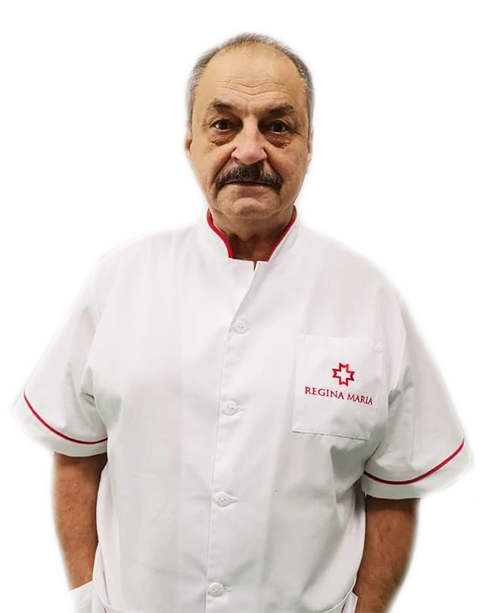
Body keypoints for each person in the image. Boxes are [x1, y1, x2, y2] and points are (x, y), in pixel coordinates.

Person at [10, 29, 474, 613]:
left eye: (277, 126)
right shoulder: (119, 280)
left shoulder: (373, 299)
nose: (249, 151)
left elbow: (396, 488)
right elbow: (75, 450)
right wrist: (83, 598)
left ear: (309, 144)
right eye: (223, 124)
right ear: (189, 141)